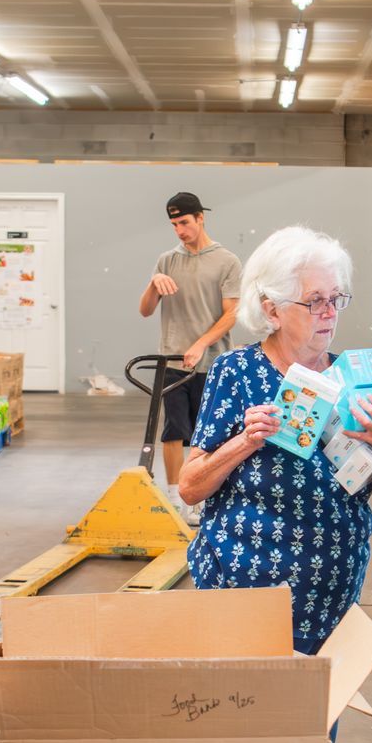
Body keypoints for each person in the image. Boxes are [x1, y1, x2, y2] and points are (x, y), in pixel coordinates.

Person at [179, 225, 372, 656]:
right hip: (242, 593)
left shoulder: (360, 383)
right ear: (271, 309)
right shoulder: (237, 373)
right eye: (315, 301)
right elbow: (190, 486)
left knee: (319, 720)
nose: (330, 312)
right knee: (244, 715)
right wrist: (246, 442)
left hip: (331, 599)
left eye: (336, 298)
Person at [138, 192, 243, 523]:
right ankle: (176, 498)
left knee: (207, 433)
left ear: (201, 218)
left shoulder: (227, 261)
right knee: (172, 431)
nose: (180, 230)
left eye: (184, 222)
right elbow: (145, 310)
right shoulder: (167, 261)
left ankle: (199, 496)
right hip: (172, 361)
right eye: (174, 225)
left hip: (212, 363)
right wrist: (154, 283)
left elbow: (232, 314)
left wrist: (200, 344)